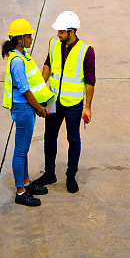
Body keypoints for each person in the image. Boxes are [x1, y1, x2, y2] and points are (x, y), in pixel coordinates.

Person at [33, 11, 96, 193]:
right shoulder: (54, 43)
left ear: (72, 31)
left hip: (74, 104)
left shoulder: (86, 51)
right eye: (58, 32)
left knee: (73, 139)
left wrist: (88, 107)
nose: (58, 35)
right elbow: (48, 64)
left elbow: (90, 81)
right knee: (49, 137)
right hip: (53, 99)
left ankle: (71, 175)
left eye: (61, 32)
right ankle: (50, 174)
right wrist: (41, 90)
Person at [2, 18, 54, 207]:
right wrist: (39, 109)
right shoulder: (17, 61)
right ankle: (20, 192)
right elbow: (25, 90)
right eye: (28, 35)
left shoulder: (22, 55)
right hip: (23, 108)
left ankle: (25, 183)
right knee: (21, 150)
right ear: (19, 39)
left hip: (26, 107)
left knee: (24, 150)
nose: (32, 38)